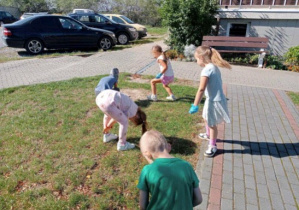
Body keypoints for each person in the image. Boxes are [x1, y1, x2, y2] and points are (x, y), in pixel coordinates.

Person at [137, 130, 202, 210]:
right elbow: (198, 199)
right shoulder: (187, 166)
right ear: (168, 146)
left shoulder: (147, 171)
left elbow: (143, 206)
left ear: (147, 154)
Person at [189, 46, 231, 157]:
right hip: (213, 98)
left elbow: (201, 89)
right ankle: (208, 134)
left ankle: (212, 146)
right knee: (206, 117)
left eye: (197, 59)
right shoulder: (213, 67)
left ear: (202, 58)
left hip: (214, 100)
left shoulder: (207, 70)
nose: (196, 61)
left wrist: (195, 104)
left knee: (212, 124)